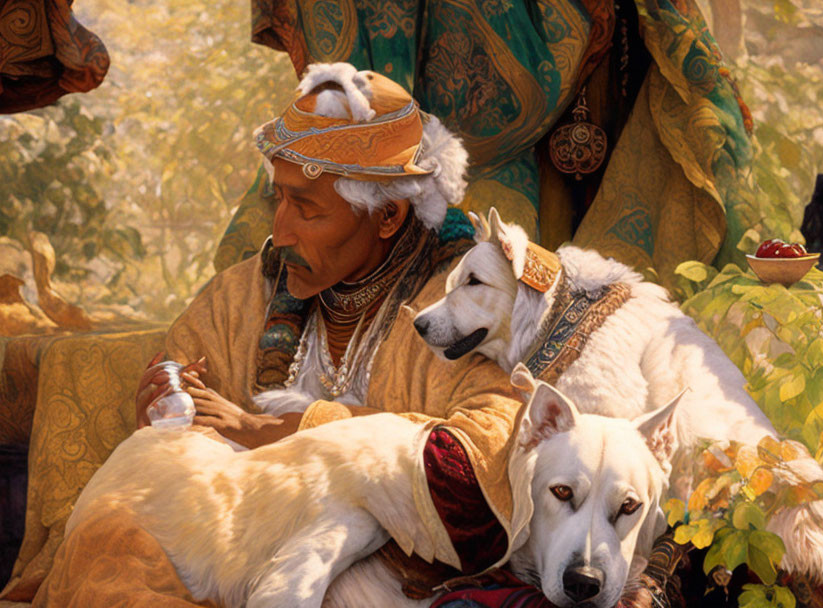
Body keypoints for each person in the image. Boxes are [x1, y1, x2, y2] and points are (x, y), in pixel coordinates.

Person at [26, 62, 523, 605]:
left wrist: (289, 430)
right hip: (225, 551)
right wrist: (165, 399)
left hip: (379, 574)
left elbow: (483, 465)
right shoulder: (245, 294)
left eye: (306, 209)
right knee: (109, 546)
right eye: (278, 199)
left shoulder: (469, 308)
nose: (279, 231)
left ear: (388, 218)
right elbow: (181, 386)